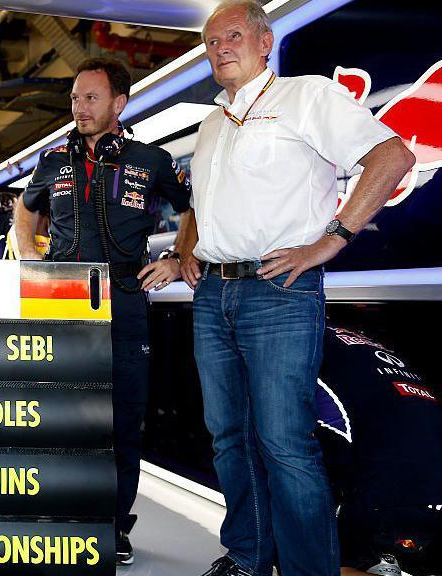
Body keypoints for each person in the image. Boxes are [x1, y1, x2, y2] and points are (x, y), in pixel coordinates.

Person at [178, 2, 417, 574]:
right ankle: (247, 557)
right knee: (228, 438)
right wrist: (186, 248)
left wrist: (331, 239)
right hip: (213, 295)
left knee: (285, 444)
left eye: (232, 36)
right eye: (211, 42)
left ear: (265, 42)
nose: (220, 49)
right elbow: (199, 204)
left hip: (279, 291)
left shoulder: (306, 97)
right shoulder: (212, 123)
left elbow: (392, 156)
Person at [12, 56, 193, 566]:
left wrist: (179, 259)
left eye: (91, 98)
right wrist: (30, 258)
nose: (80, 107)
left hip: (126, 302)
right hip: (62, 301)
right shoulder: (53, 161)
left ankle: (115, 524)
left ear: (119, 103)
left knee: (123, 419)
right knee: (57, 414)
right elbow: (25, 210)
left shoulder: (150, 160)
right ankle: (59, 515)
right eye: (74, 98)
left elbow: (191, 209)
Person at [317, 326, 442, 576]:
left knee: (312, 562)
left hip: (391, 492)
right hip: (425, 475)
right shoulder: (360, 339)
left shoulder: (294, 345)